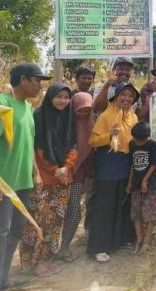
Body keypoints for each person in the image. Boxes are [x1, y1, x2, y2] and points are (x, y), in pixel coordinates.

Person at [0, 63, 47, 291]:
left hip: (23, 183)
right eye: (37, 80)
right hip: (4, 184)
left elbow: (29, 145)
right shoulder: (1, 105)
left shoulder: (27, 108)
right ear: (23, 79)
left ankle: (2, 279)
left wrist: (36, 173)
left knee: (15, 230)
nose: (40, 86)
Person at [20, 83, 77, 276]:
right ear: (50, 96)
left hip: (62, 179)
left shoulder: (69, 118)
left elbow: (73, 145)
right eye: (59, 96)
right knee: (37, 221)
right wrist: (55, 169)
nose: (63, 100)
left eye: (66, 97)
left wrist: (66, 167)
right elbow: (37, 149)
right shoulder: (39, 116)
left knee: (54, 222)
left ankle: (46, 259)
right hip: (43, 178)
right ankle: (32, 263)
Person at [88, 83, 139, 262]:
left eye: (130, 96)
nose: (126, 99)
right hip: (109, 163)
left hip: (126, 164)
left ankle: (118, 241)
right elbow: (93, 141)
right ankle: (99, 246)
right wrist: (109, 136)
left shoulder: (133, 117)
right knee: (106, 206)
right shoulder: (106, 115)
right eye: (123, 95)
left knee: (121, 203)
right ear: (116, 97)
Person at [57, 92, 94, 262]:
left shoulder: (92, 124)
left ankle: (63, 247)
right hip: (65, 173)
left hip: (84, 173)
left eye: (87, 111)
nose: (83, 115)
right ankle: (58, 248)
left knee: (78, 211)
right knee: (66, 212)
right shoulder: (65, 124)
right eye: (79, 111)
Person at [126, 122, 156, 254]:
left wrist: (145, 180)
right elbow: (132, 165)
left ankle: (147, 239)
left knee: (149, 212)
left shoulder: (152, 145)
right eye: (136, 140)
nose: (138, 143)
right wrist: (130, 183)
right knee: (136, 213)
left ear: (147, 138)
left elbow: (154, 163)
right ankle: (139, 239)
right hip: (135, 184)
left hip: (150, 185)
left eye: (141, 140)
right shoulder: (132, 144)